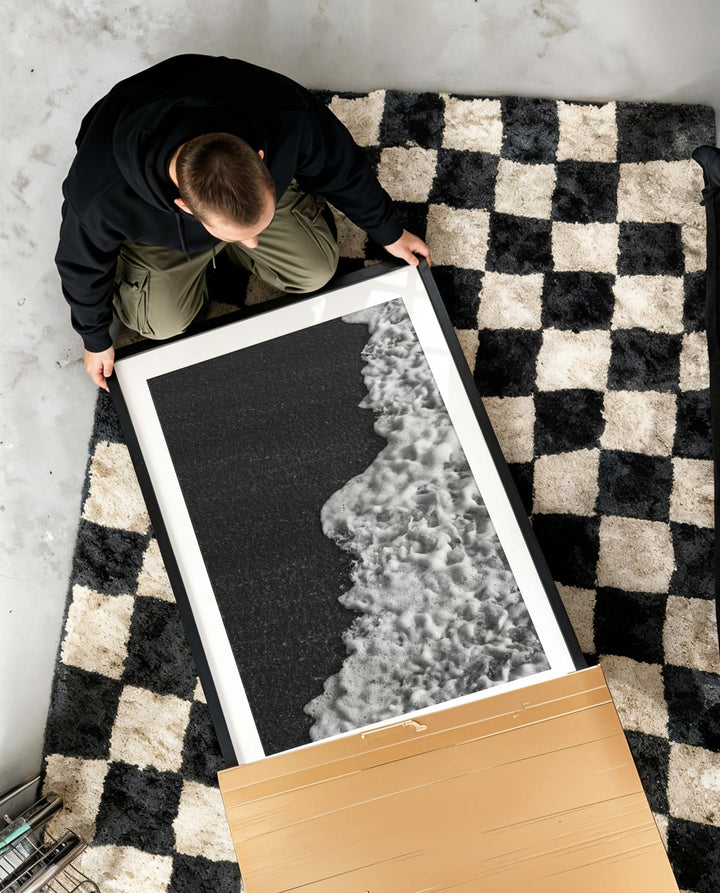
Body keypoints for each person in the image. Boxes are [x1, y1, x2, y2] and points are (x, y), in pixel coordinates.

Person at [55, 54, 432, 391]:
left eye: (256, 231)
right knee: (160, 325)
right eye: (241, 237)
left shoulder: (283, 111)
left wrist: (389, 231)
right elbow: (80, 264)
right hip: (158, 237)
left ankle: (250, 222)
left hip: (239, 180)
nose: (253, 243)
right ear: (184, 207)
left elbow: (341, 166)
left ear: (262, 158)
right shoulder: (100, 195)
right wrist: (94, 338)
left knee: (316, 272)